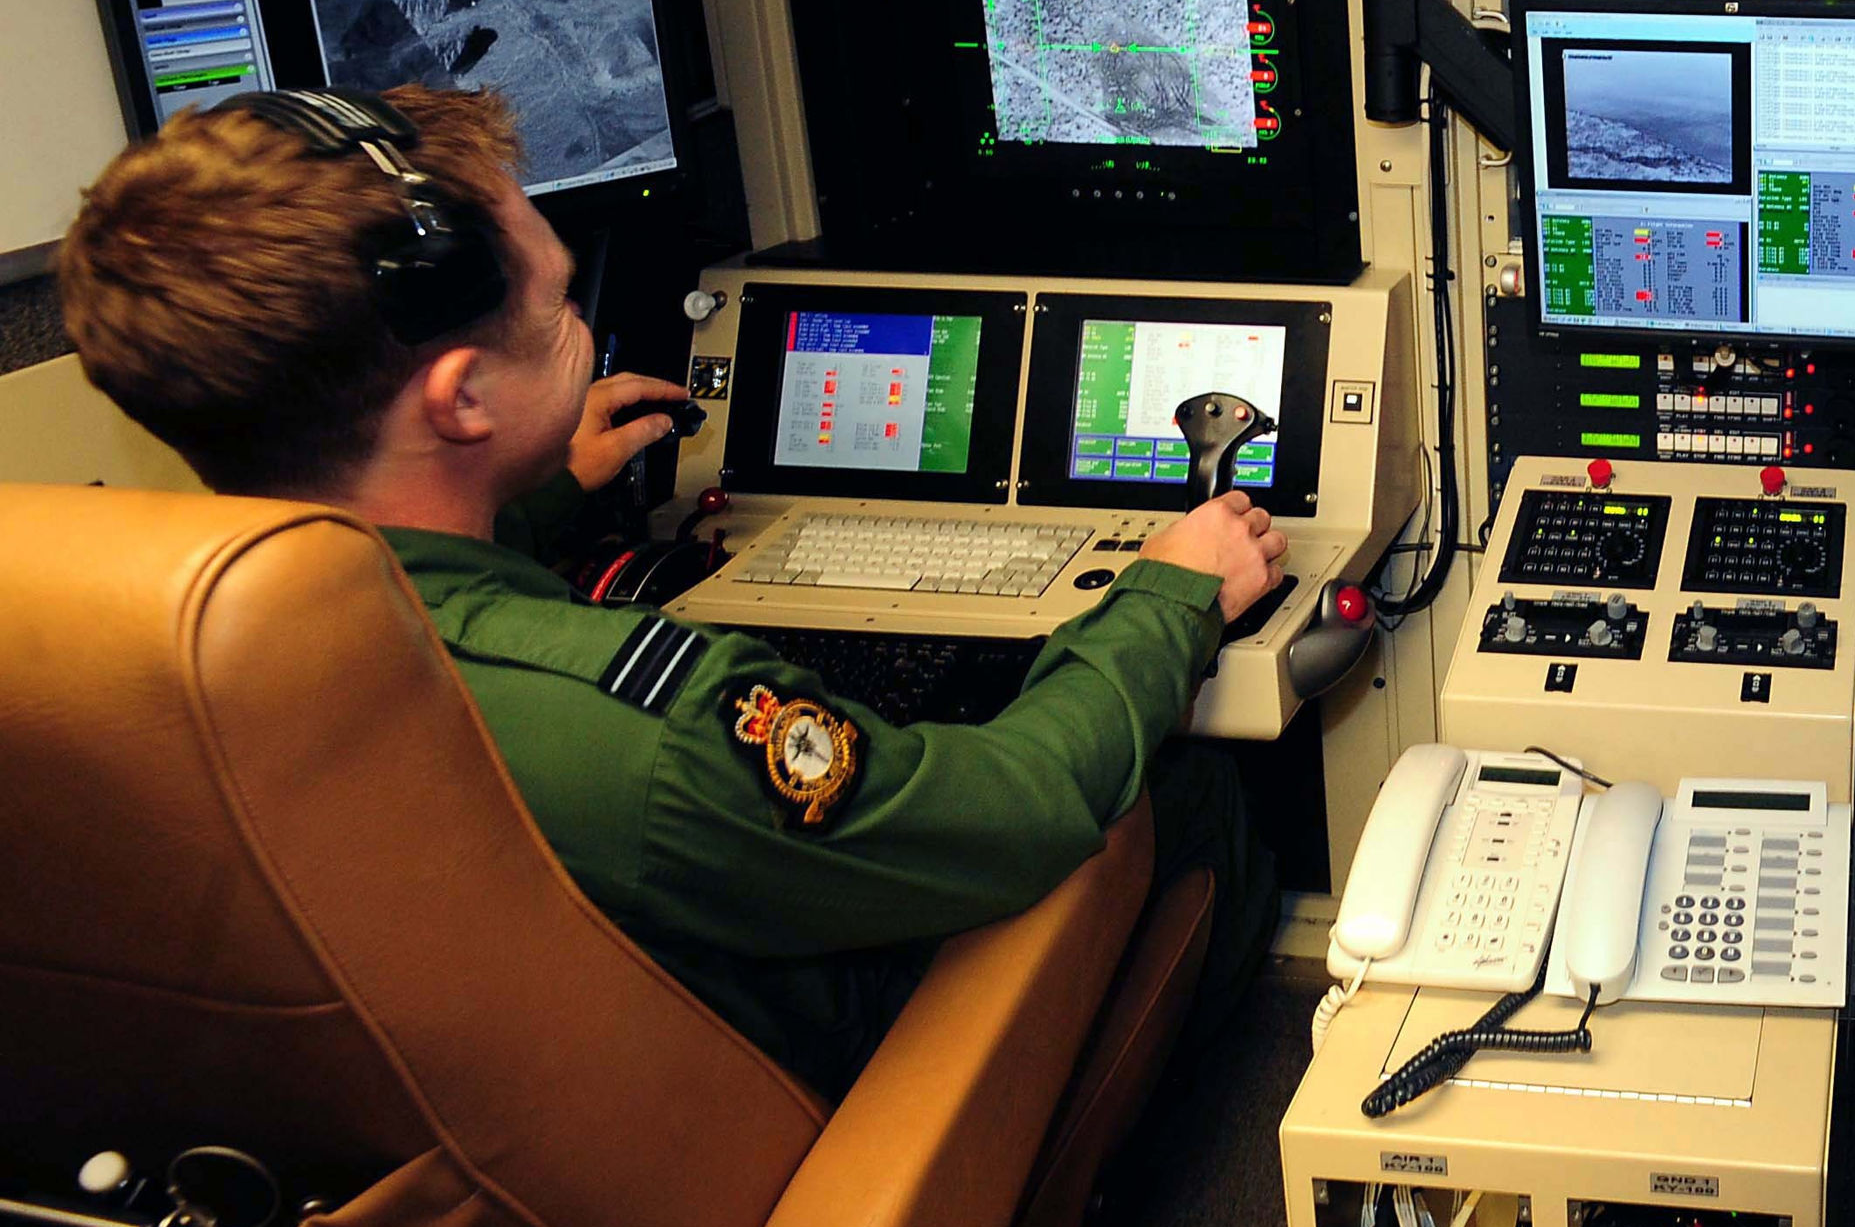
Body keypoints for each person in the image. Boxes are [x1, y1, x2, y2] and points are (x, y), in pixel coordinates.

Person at [58, 85, 1283, 1096]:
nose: (584, 329)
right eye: (554, 310)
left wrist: (528, 487)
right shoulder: (648, 726)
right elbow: (1006, 811)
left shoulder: (108, 653)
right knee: (1177, 785)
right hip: (783, 1106)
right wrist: (1164, 598)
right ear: (459, 401)